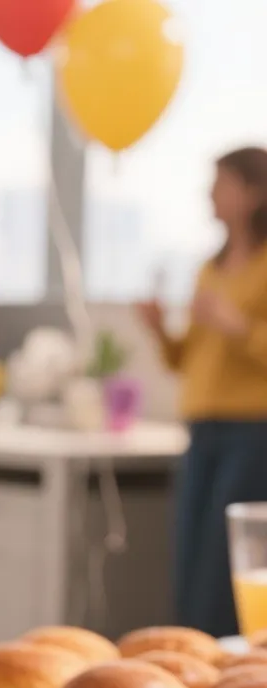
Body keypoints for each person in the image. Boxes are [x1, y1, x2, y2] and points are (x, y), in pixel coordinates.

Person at [139, 147, 267, 635]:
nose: (209, 194)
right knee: (190, 554)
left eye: (220, 184)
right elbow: (185, 360)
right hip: (203, 426)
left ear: (252, 192)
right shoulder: (210, 269)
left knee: (222, 562)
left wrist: (239, 327)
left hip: (253, 430)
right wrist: (158, 331)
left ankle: (226, 663)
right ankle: (191, 650)